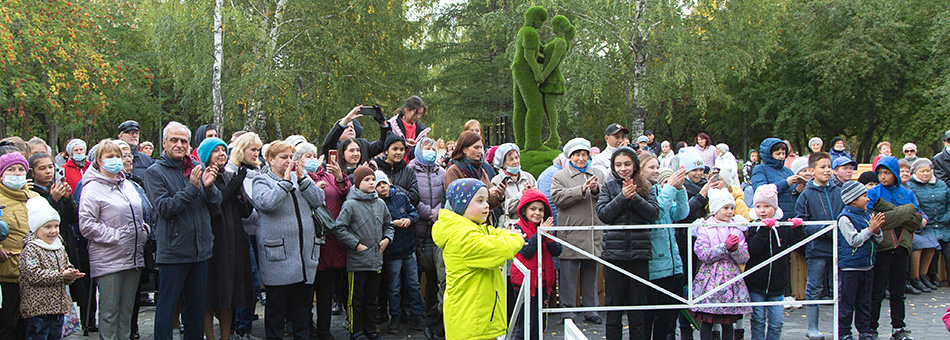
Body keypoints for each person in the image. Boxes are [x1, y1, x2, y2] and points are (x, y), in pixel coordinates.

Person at [144, 122, 222, 340]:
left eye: (184, 141)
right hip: (174, 250)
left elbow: (215, 205)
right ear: (165, 143)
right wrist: (192, 189)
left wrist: (209, 187)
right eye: (174, 140)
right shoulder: (155, 172)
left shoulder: (196, 166)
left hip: (200, 250)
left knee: (196, 310)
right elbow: (165, 208)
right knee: (167, 309)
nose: (179, 145)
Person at [431, 178, 524, 340]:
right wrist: (516, 238)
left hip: (474, 317)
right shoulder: (465, 237)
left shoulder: (470, 229)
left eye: (487, 200)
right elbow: (501, 248)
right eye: (480, 201)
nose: (487, 205)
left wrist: (507, 235)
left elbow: (493, 232)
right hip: (472, 320)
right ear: (461, 205)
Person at [250, 140, 325, 340]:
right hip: (279, 258)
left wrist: (304, 181)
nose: (289, 162)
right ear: (270, 159)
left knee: (302, 312)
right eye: (284, 157)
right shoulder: (261, 180)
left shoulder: (300, 177)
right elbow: (266, 203)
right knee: (276, 312)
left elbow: (318, 200)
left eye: (291, 157)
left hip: (303, 258)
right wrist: (284, 183)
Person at [77, 139, 151, 340]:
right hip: (109, 259)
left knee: (127, 312)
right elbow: (87, 225)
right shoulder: (91, 188)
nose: (115, 160)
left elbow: (139, 211)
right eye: (110, 156)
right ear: (99, 160)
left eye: (118, 156)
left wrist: (143, 230)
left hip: (133, 257)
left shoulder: (127, 184)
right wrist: (116, 236)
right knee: (110, 313)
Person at [27, 152, 95, 334]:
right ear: (32, 172)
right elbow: (42, 221)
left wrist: (67, 198)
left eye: (50, 167)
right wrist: (54, 200)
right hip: (44, 249)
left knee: (74, 289)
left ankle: (80, 323)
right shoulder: (31, 193)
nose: (48, 171)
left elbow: (72, 219)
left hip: (65, 243)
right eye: (42, 168)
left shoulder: (56, 186)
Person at [596, 146, 659, 340]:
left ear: (635, 165)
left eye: (627, 164)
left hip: (639, 255)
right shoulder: (608, 186)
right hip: (614, 255)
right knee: (614, 310)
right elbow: (604, 214)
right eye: (618, 165)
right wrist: (622, 197)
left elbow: (653, 214)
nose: (623, 168)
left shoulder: (647, 185)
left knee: (637, 311)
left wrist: (635, 198)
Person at [198, 138, 254, 340]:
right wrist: (229, 192)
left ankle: (225, 336)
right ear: (206, 156)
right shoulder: (201, 177)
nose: (222, 154)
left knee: (230, 293)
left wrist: (239, 193)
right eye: (216, 151)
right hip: (213, 242)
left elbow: (246, 211)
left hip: (234, 241)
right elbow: (214, 206)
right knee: (211, 293)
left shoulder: (231, 176)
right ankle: (210, 336)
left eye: (224, 150)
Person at [332, 166, 394, 340]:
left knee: (371, 299)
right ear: (357, 184)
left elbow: (388, 225)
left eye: (373, 179)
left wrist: (387, 239)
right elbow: (339, 228)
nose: (371, 183)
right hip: (358, 261)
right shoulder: (350, 204)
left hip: (376, 260)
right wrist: (356, 244)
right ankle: (356, 330)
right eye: (367, 180)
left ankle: (370, 329)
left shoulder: (380, 204)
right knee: (355, 300)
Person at [551, 138, 605, 324]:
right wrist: (580, 189)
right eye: (577, 155)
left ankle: (591, 310)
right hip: (571, 233)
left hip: (592, 231)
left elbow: (605, 197)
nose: (581, 158)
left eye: (584, 154)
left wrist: (596, 189)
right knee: (568, 275)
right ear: (570, 157)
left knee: (591, 274)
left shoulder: (598, 173)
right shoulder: (561, 176)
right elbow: (557, 198)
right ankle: (568, 311)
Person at [867, 156, 921, 340]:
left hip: (902, 247)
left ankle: (898, 327)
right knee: (878, 291)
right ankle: (871, 328)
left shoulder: (907, 193)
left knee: (898, 291)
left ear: (895, 174)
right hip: (882, 247)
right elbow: (874, 219)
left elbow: (917, 221)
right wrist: (903, 214)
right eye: (880, 173)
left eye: (887, 173)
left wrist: (889, 215)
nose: (883, 177)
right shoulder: (874, 193)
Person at [19, 197, 85, 340]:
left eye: (56, 226)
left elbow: (66, 265)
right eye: (47, 227)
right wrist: (61, 276)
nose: (53, 231)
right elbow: (33, 275)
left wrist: (71, 274)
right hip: (38, 310)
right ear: (36, 229)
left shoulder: (58, 247)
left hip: (58, 309)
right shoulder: (31, 248)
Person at [793, 152, 843, 340]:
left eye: (829, 167)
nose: (827, 170)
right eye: (823, 167)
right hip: (818, 249)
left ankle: (841, 326)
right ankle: (812, 327)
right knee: (814, 287)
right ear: (812, 171)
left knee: (839, 287)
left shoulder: (839, 191)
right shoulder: (806, 194)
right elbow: (801, 223)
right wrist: (824, 229)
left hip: (839, 248)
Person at [690, 188, 752, 340]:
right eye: (726, 208)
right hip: (710, 279)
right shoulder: (705, 227)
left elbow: (744, 257)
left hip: (731, 280)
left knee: (728, 322)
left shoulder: (737, 227)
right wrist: (723, 247)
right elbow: (703, 253)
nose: (730, 211)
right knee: (707, 321)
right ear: (716, 209)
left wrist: (735, 249)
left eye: (732, 208)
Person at [746, 184, 805, 340]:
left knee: (777, 322)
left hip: (778, 285)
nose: (762, 210)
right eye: (758, 206)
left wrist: (798, 229)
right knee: (758, 320)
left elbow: (799, 246)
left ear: (775, 208)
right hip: (756, 284)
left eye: (767, 206)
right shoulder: (753, 227)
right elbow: (753, 250)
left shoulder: (783, 227)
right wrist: (764, 230)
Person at [224, 132, 264, 340]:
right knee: (250, 282)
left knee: (254, 283)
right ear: (241, 150)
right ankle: (241, 328)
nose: (256, 153)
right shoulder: (230, 172)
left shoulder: (258, 172)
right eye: (252, 149)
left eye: (257, 150)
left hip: (259, 232)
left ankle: (244, 327)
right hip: (240, 235)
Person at [643, 163, 689, 340]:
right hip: (654, 265)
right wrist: (669, 187)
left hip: (672, 264)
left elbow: (682, 213)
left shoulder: (668, 198)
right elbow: (658, 212)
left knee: (666, 315)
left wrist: (680, 189)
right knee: (649, 316)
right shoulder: (651, 196)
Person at [374, 170, 424, 334]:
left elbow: (414, 212)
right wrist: (393, 224)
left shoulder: (401, 197)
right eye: (378, 185)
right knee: (394, 286)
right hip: (392, 252)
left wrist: (409, 219)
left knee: (414, 283)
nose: (382, 188)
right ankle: (394, 316)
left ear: (389, 183)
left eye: (384, 184)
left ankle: (416, 315)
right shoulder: (377, 204)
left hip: (408, 248)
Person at [510, 188, 561, 340]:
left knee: (539, 326)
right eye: (533, 209)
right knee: (524, 325)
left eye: (541, 210)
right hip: (524, 284)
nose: (537, 213)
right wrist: (540, 234)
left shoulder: (546, 228)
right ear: (524, 210)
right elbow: (527, 251)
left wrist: (548, 236)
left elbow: (557, 251)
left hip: (543, 283)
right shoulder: (517, 228)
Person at [406, 137, 445, 338]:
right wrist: (429, 213)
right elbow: (411, 198)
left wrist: (437, 213)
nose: (430, 151)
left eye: (433, 148)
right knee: (413, 275)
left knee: (433, 277)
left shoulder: (442, 172)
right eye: (426, 148)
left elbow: (445, 196)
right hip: (417, 229)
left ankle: (431, 316)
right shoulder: (410, 170)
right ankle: (413, 315)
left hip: (436, 231)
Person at [836, 181, 884, 340]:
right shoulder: (844, 218)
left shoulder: (866, 214)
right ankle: (844, 332)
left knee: (865, 302)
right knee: (847, 303)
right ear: (853, 200)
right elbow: (854, 240)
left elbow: (879, 238)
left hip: (867, 266)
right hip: (851, 267)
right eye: (864, 196)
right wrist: (870, 229)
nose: (868, 199)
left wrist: (876, 230)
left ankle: (864, 331)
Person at [0, 151, 40, 340]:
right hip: (7, 274)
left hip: (33, 274)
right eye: (11, 169)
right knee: (9, 325)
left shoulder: (34, 198)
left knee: (30, 327)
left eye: (20, 169)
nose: (16, 173)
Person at [905, 159, 944, 291]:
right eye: (923, 171)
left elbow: (918, 208)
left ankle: (923, 275)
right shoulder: (909, 187)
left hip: (923, 224)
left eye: (928, 170)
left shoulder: (940, 184)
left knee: (932, 243)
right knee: (918, 245)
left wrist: (923, 218)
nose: (926, 173)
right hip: (908, 226)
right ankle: (914, 278)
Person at [443, 132, 504, 212]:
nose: (479, 151)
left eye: (480, 147)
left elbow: (487, 204)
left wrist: (499, 196)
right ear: (464, 149)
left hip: (483, 221)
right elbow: (456, 202)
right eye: (476, 147)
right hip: (464, 222)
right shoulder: (454, 171)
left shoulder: (481, 170)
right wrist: (486, 195)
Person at [321, 105, 392, 165]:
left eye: (352, 127)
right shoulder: (334, 148)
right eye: (346, 127)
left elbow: (383, 144)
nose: (350, 129)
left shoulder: (363, 145)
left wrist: (383, 123)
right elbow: (328, 144)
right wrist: (346, 119)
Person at [750, 138, 799, 216]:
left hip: (793, 216)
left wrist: (799, 189)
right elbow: (761, 191)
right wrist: (786, 183)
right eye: (778, 154)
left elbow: (794, 192)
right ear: (769, 154)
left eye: (783, 153)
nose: (782, 156)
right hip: (774, 217)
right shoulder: (760, 169)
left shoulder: (788, 171)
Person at [490, 143, 537, 223]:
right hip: (510, 224)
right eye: (511, 159)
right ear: (503, 163)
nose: (515, 161)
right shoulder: (497, 181)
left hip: (530, 223)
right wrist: (522, 195)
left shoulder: (529, 177)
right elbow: (504, 208)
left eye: (516, 157)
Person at [374, 134, 420, 205]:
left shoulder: (408, 171)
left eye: (401, 149)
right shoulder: (377, 169)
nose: (398, 152)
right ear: (386, 151)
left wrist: (395, 188)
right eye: (395, 149)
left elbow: (415, 199)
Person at [386, 95, 428, 161]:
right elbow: (385, 145)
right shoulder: (392, 124)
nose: (418, 117)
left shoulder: (422, 129)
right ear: (406, 109)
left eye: (420, 114)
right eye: (415, 113)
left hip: (414, 166)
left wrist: (416, 146)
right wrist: (403, 144)